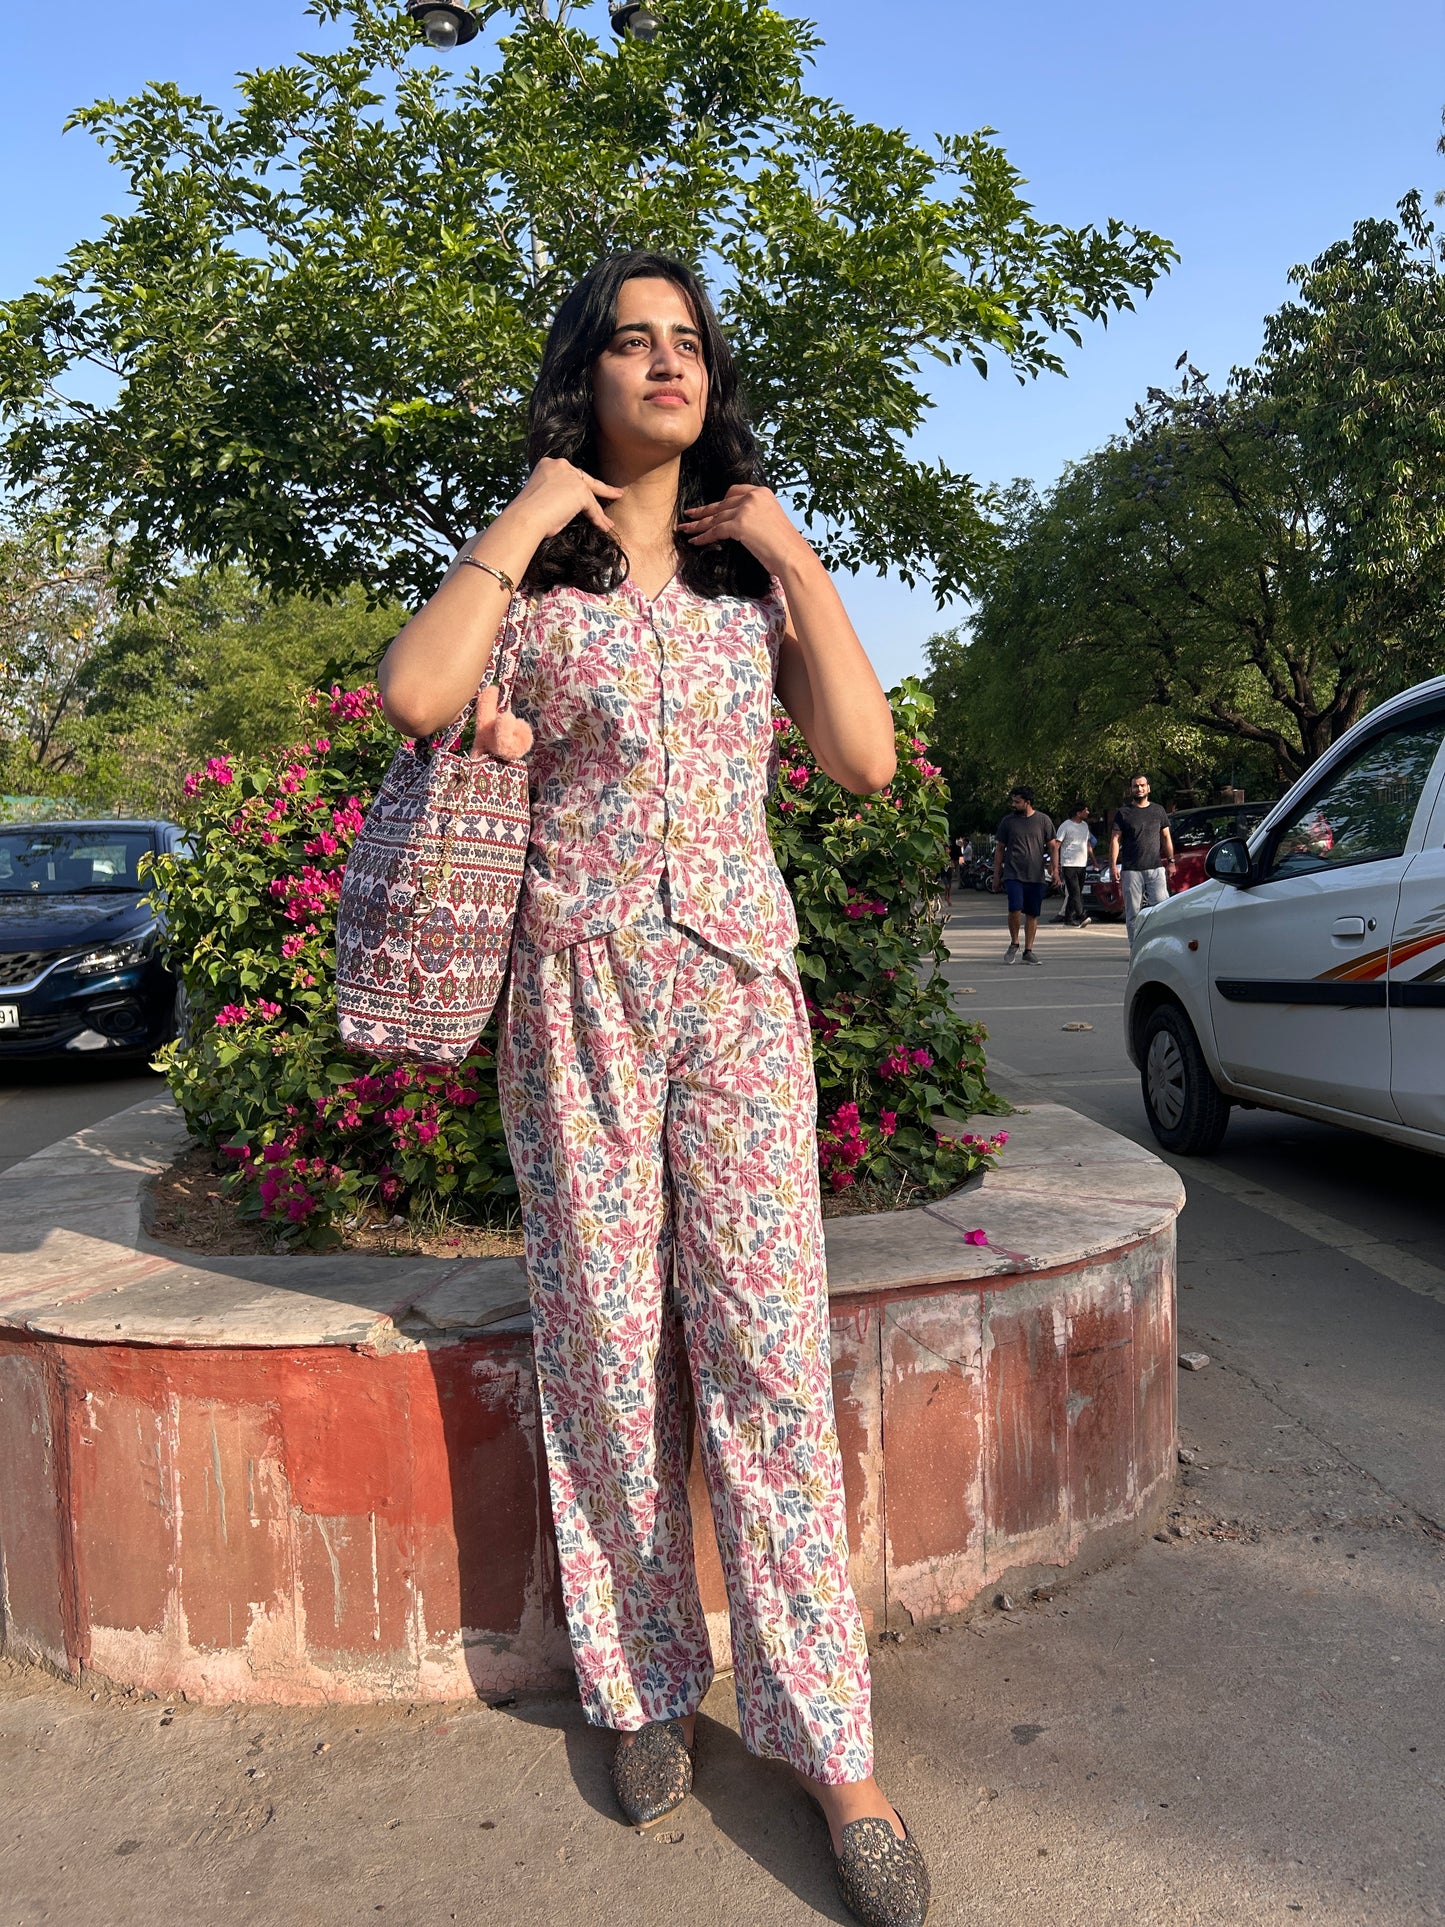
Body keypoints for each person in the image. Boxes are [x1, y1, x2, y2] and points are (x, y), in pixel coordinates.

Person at [377, 251, 929, 1927]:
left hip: (739, 1000)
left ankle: (833, 1744)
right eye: (633, 339)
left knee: (765, 1357)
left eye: (689, 340)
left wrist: (792, 550)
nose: (666, 361)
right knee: (611, 1354)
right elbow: (412, 693)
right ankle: (639, 1687)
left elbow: (865, 758)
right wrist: (523, 508)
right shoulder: (532, 595)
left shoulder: (741, 583)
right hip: (577, 999)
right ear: (587, 378)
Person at [992, 786, 1058, 964]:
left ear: (1027, 803)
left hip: (1036, 875)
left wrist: (1056, 871)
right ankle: (1014, 943)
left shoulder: (1043, 820)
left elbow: (1053, 846)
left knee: (1032, 913)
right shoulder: (1008, 822)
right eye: (1012, 801)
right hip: (1013, 873)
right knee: (1015, 908)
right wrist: (996, 875)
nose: (1013, 804)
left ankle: (1028, 950)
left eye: (1017, 801)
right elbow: (999, 849)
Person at [1110, 774, 1175, 947]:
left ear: (1148, 788)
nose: (1139, 789)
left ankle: (1161, 945)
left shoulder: (1158, 810)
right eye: (1135, 786)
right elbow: (1115, 840)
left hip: (1155, 869)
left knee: (1161, 909)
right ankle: (1136, 947)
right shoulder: (1123, 813)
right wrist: (1113, 866)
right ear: (1131, 789)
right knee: (1133, 913)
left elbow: (1166, 837)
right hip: (1131, 870)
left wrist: (1171, 861)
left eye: (1142, 785)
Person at [1050, 804, 1094, 927]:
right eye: (1086, 810)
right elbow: (1056, 846)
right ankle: (1082, 915)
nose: (1088, 812)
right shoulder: (1066, 826)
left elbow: (1087, 844)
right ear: (1078, 813)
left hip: (1082, 863)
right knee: (1075, 892)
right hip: (1069, 864)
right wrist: (1054, 865)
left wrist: (1094, 861)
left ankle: (1068, 917)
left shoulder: (1085, 826)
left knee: (1076, 891)